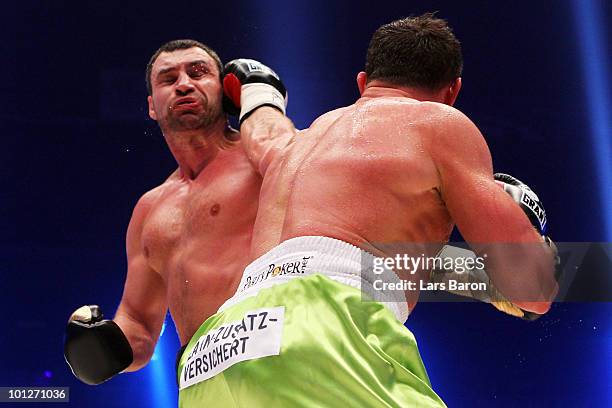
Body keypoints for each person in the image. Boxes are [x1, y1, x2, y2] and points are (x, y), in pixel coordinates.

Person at [177, 14, 559, 407]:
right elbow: (531, 288)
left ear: (363, 83)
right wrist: (531, 240)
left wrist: (258, 90)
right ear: (452, 92)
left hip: (216, 350)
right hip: (323, 332)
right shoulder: (440, 124)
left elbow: (265, 135)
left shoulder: (297, 145)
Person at [63, 40, 293, 385]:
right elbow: (138, 324)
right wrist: (102, 349)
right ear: (152, 106)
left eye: (198, 73)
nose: (184, 83)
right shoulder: (150, 209)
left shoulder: (268, 159)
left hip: (282, 354)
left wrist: (262, 104)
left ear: (227, 89)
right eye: (168, 79)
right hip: (201, 381)